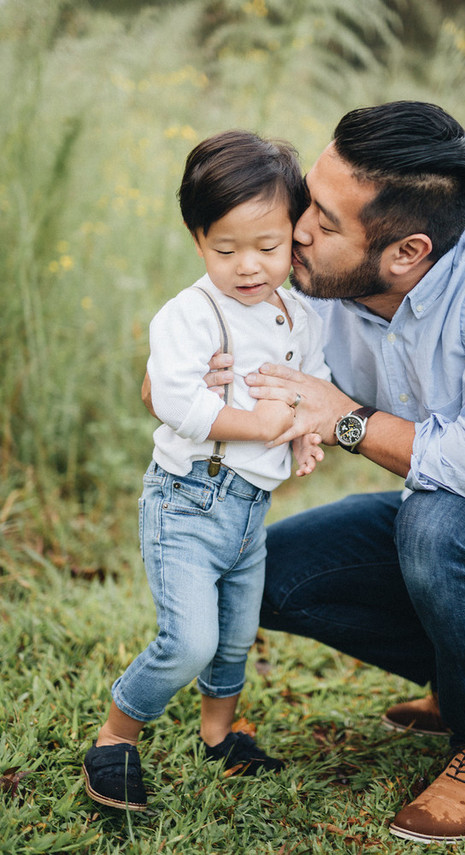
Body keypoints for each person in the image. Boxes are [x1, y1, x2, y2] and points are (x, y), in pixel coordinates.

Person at [198, 102, 465, 843]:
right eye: (308, 196)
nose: (297, 227)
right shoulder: (317, 288)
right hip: (453, 529)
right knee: (254, 573)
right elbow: (273, 393)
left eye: (327, 222)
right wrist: (206, 385)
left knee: (440, 520)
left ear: (406, 252)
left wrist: (345, 420)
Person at [83, 130, 330, 811]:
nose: (248, 266)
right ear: (198, 240)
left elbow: (314, 385)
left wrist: (305, 432)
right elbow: (171, 396)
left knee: (232, 638)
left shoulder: (300, 316)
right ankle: (114, 737)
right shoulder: (191, 315)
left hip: (251, 511)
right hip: (188, 501)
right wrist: (256, 424)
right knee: (188, 640)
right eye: (226, 249)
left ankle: (219, 734)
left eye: (267, 247)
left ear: (294, 236)